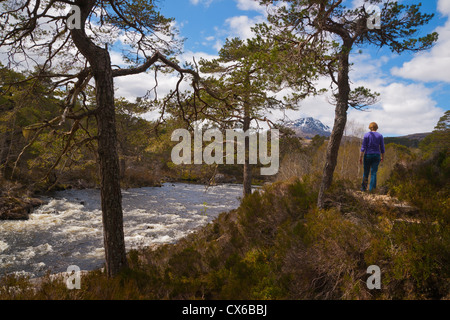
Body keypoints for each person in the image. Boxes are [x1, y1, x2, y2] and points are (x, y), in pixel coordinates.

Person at [359, 122, 385, 192]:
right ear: (376, 127)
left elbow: (363, 147)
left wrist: (360, 157)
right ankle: (372, 190)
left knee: (366, 172)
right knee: (374, 173)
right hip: (376, 156)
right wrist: (382, 157)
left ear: (370, 127)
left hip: (367, 155)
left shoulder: (366, 135)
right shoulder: (380, 136)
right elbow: (382, 148)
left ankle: (363, 189)